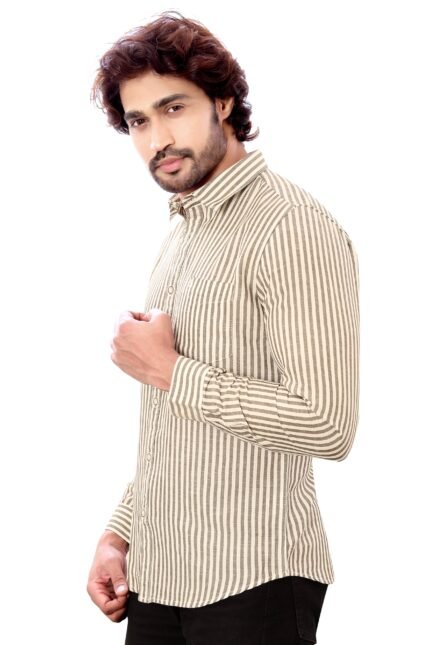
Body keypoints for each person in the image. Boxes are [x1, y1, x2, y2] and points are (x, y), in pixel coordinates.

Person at [87, 11, 360, 645]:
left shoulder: (291, 226)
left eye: (173, 107)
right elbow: (178, 428)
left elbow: (328, 423)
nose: (158, 138)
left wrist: (170, 370)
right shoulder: (183, 233)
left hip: (254, 579)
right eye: (139, 121)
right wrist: (121, 531)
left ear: (223, 101)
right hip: (160, 578)